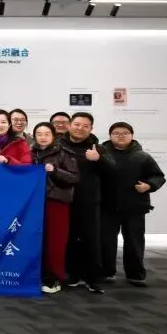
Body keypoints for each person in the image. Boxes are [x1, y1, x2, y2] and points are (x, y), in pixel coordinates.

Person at [99, 122, 166, 287]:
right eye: (116, 133)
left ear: (132, 135)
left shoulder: (142, 156)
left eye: (125, 133)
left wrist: (149, 186)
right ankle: (106, 272)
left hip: (135, 205)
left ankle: (136, 274)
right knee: (106, 241)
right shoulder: (100, 154)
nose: (121, 136)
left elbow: (158, 176)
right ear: (110, 136)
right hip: (107, 205)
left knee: (134, 241)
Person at [58, 112, 111, 294]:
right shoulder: (58, 146)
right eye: (77, 124)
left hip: (89, 200)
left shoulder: (99, 148)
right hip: (63, 199)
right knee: (67, 238)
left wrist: (99, 160)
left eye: (85, 126)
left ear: (91, 128)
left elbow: (114, 172)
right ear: (69, 125)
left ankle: (92, 277)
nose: (80, 128)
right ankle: (71, 274)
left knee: (91, 239)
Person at [31, 122, 80, 294]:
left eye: (47, 134)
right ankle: (36, 275)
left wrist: (55, 171)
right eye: (39, 134)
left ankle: (54, 277)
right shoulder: (30, 152)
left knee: (55, 241)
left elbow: (75, 178)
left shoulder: (64, 153)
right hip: (34, 203)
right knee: (35, 240)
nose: (43, 137)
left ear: (53, 136)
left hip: (56, 201)